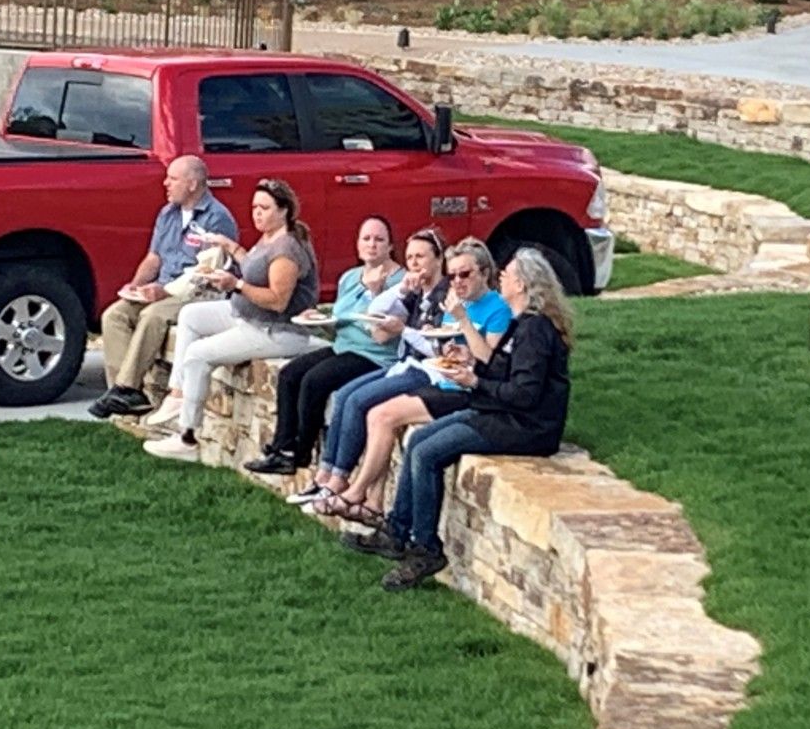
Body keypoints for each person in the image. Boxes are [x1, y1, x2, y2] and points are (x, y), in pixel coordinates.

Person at [344, 247, 574, 591]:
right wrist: (471, 360)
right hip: (500, 411)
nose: (502, 278)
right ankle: (396, 531)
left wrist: (476, 382)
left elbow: (525, 394)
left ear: (523, 285)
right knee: (417, 439)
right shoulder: (521, 324)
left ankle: (425, 549)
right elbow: (503, 370)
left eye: (507, 275)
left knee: (426, 453)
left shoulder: (535, 331)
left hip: (526, 426)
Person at [305, 237, 512, 527]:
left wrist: (460, 323)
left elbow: (489, 362)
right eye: (453, 276)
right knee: (369, 408)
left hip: (464, 389)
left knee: (384, 416)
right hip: (440, 374)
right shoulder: (458, 302)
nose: (458, 282)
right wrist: (453, 347)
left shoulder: (496, 309)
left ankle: (356, 493)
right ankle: (367, 499)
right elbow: (448, 346)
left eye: (465, 274)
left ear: (485, 273)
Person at [142, 178, 320, 462]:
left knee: (198, 354)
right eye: (254, 207)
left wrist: (234, 285)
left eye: (264, 208)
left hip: (274, 329)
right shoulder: (269, 238)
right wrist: (228, 246)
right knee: (191, 315)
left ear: (284, 210)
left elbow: (277, 300)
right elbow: (253, 266)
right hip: (246, 314)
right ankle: (178, 394)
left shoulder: (287, 249)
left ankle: (187, 436)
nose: (257, 213)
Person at [244, 216, 405, 476]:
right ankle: (282, 447)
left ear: (389, 246)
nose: (372, 245)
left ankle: (301, 451)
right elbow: (340, 321)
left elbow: (382, 333)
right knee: (289, 374)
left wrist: (376, 295)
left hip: (373, 354)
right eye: (366, 238)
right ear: (357, 244)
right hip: (343, 345)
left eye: (379, 239)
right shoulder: (350, 278)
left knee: (314, 380)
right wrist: (317, 319)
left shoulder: (400, 282)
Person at [89, 155, 237, 419]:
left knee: (151, 316)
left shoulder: (217, 219)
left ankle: (126, 388)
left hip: (197, 294)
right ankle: (124, 394)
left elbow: (206, 273)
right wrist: (136, 286)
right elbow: (154, 258)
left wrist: (164, 291)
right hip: (163, 287)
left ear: (192, 184)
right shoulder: (167, 213)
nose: (165, 183)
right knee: (114, 315)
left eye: (173, 178)